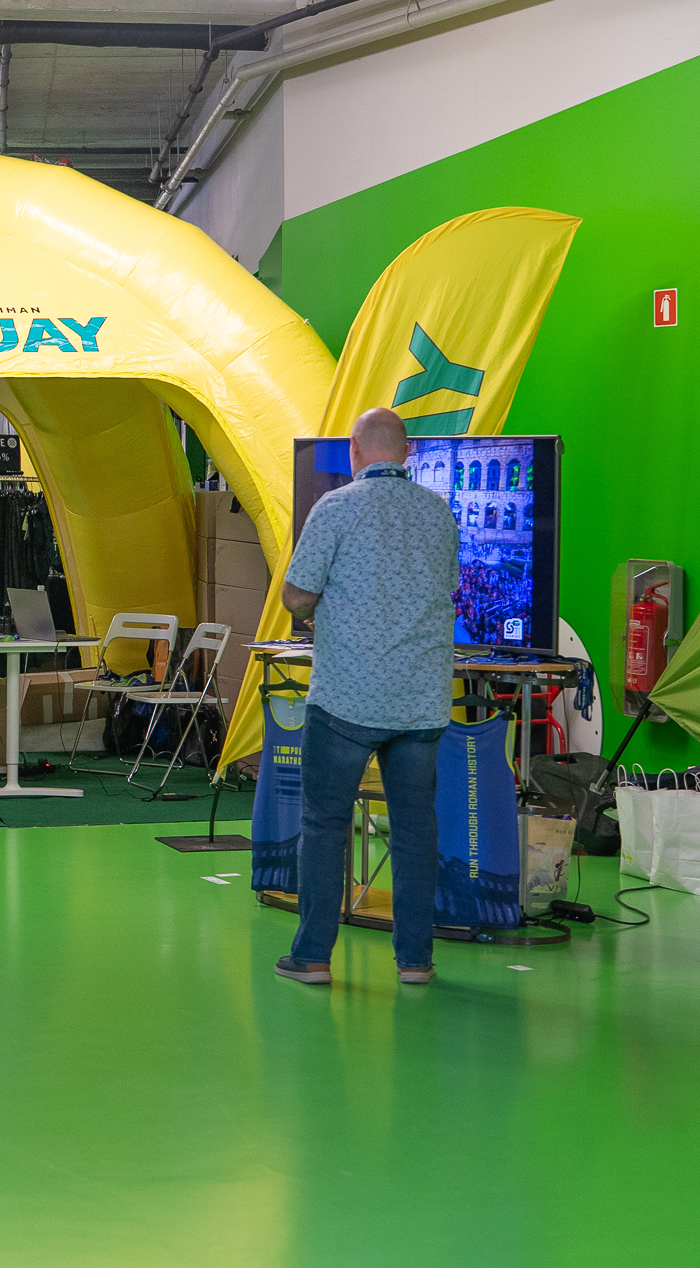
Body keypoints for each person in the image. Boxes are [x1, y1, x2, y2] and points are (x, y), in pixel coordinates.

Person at [275, 407, 458, 989]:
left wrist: (322, 603)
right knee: (414, 830)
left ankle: (312, 957)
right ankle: (415, 961)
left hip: (347, 698)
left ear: (355, 451)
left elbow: (297, 596)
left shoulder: (334, 508)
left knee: (325, 824)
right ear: (407, 453)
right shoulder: (439, 512)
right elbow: (445, 588)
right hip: (420, 701)